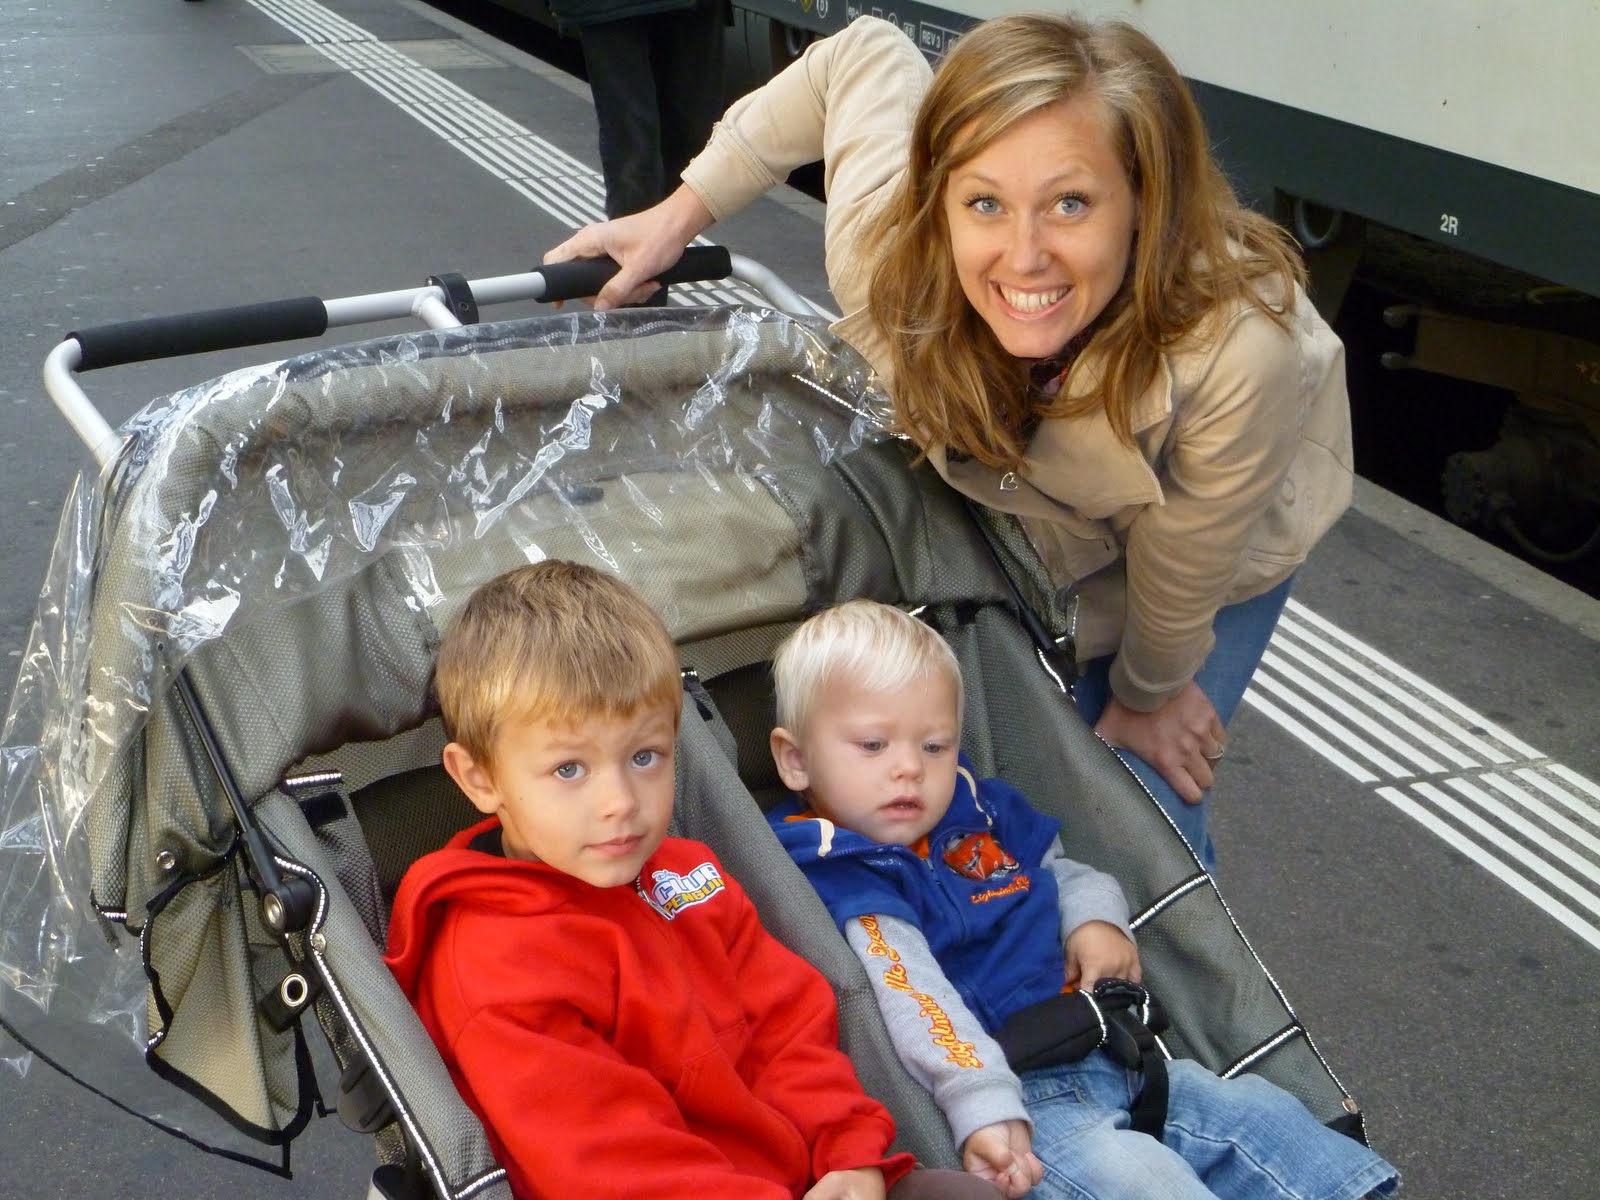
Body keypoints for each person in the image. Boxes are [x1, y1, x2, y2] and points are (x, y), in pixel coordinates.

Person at [543, 13, 1356, 869]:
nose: (1024, 257)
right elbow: (857, 56)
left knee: (1139, 800)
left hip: (1218, 525)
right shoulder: (894, 256)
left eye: (1071, 203)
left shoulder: (1233, 352)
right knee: (1009, 761)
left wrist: (1151, 692)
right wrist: (673, 219)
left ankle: (1166, 935)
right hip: (1030, 479)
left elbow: (1186, 563)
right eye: (984, 203)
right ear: (939, 201)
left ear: (1144, 202)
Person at [384, 561, 1003, 1200]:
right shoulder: (495, 972)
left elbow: (788, 1026)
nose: (620, 802)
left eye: (644, 757)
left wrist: (848, 1151)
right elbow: (614, 1167)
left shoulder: (688, 873)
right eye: (569, 769)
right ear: (480, 778)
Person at [764, 599, 1400, 1200]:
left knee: (1264, 1116)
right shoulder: (837, 865)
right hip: (1021, 1095)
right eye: (873, 746)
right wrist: (983, 1103)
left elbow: (1063, 871)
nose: (910, 767)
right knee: (1146, 1183)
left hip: (1117, 1052)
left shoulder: (976, 805)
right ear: (796, 761)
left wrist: (1095, 921)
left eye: (934, 745)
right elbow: (912, 993)